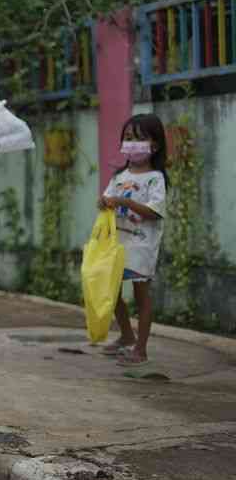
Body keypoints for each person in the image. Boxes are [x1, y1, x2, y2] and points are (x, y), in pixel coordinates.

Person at [98, 113, 168, 367]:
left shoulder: (155, 179)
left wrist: (125, 202)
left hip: (141, 245)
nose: (133, 143)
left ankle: (141, 348)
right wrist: (103, 203)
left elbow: (154, 212)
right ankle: (126, 334)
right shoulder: (119, 176)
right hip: (118, 244)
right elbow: (106, 201)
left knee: (141, 296)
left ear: (155, 145)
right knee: (112, 291)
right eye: (128, 138)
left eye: (140, 138)